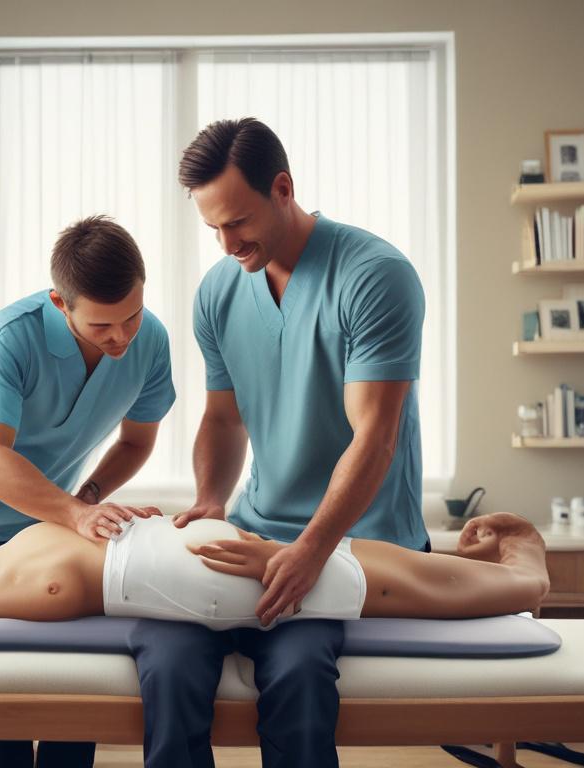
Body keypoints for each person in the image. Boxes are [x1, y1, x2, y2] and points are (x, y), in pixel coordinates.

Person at [130, 117, 429, 768]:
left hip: (357, 541)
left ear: (284, 188)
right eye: (212, 228)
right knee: (170, 661)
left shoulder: (374, 275)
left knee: (295, 675)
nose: (225, 242)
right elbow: (223, 419)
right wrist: (211, 501)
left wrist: (311, 550)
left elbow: (374, 438)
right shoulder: (218, 292)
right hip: (255, 529)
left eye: (237, 222)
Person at [0, 215, 176, 768]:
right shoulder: (5, 337)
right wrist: (74, 514)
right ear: (60, 302)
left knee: (67, 683)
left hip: (52, 525)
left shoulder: (151, 341)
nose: (121, 336)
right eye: (102, 326)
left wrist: (89, 498)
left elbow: (138, 441)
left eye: (132, 317)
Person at [0, 512, 549, 633]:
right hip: (215, 579)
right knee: (390, 583)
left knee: (391, 571)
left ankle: (494, 563)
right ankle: (527, 578)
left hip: (205, 554)